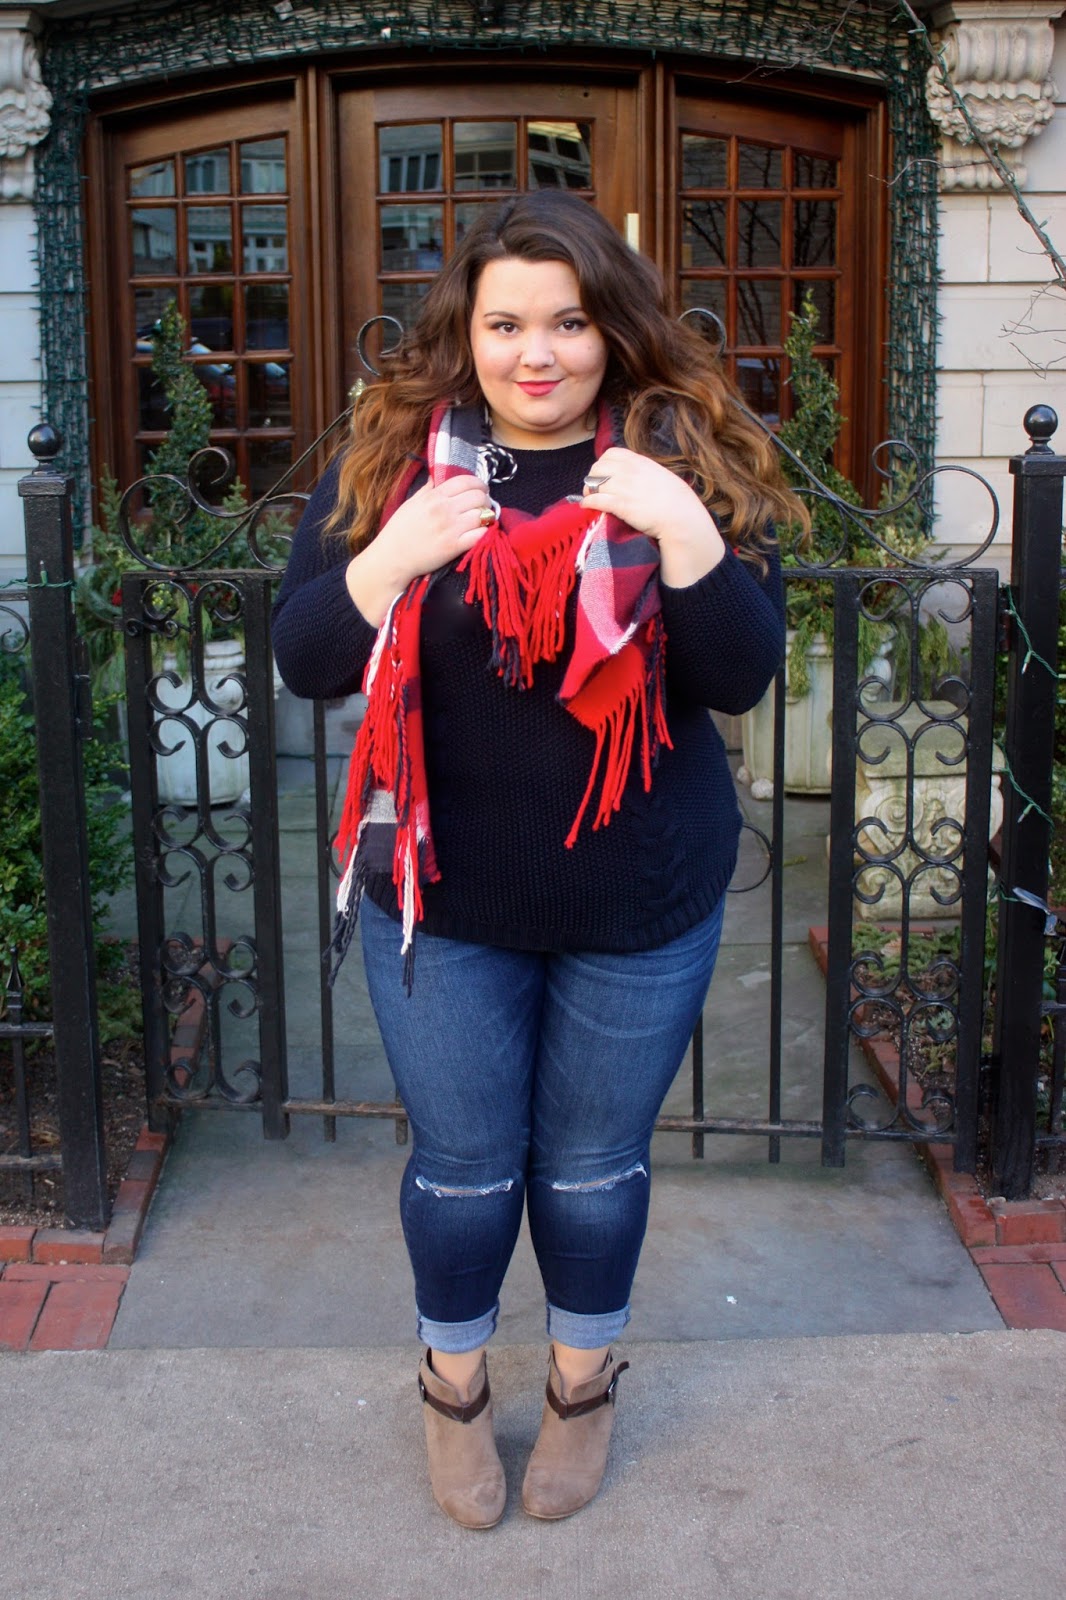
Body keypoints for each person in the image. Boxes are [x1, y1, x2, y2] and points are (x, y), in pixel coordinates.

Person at [271, 190, 805, 1530]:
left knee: (588, 1166)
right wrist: (389, 560)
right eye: (506, 323)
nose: (537, 355)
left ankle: (579, 1387)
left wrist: (685, 537)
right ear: (468, 331)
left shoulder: (681, 452)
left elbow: (737, 676)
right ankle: (454, 1393)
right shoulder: (393, 462)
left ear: (607, 329)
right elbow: (305, 659)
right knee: (459, 1168)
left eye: (568, 323)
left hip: (640, 898)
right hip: (438, 901)